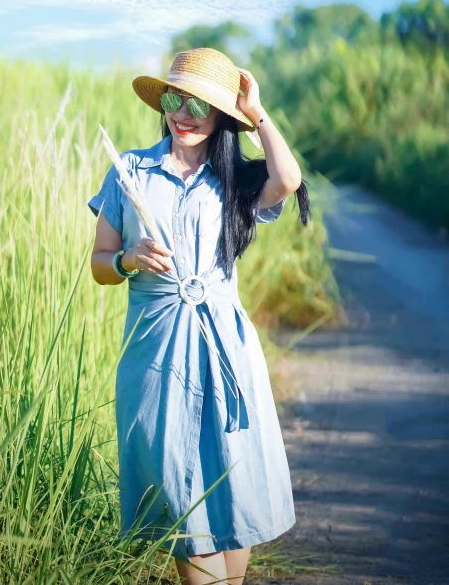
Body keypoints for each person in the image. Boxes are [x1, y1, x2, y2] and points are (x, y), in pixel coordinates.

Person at [88, 47, 311, 585]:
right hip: (157, 354)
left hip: (225, 350)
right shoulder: (131, 172)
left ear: (221, 118)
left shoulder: (234, 180)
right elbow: (98, 264)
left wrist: (256, 112)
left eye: (199, 106)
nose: (183, 115)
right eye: (174, 100)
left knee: (230, 496)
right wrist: (127, 259)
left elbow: (288, 177)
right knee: (180, 504)